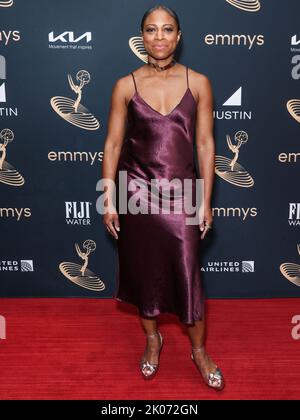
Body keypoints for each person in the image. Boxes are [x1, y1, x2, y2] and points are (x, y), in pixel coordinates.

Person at [102, 4, 224, 391]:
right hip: (136, 193)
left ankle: (199, 351)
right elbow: (113, 143)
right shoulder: (125, 85)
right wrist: (109, 198)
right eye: (151, 30)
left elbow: (205, 144)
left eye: (167, 29)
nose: (159, 37)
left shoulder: (199, 82)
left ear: (178, 36)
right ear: (142, 37)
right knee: (144, 274)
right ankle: (153, 340)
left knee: (188, 276)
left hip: (183, 194)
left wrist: (205, 199)